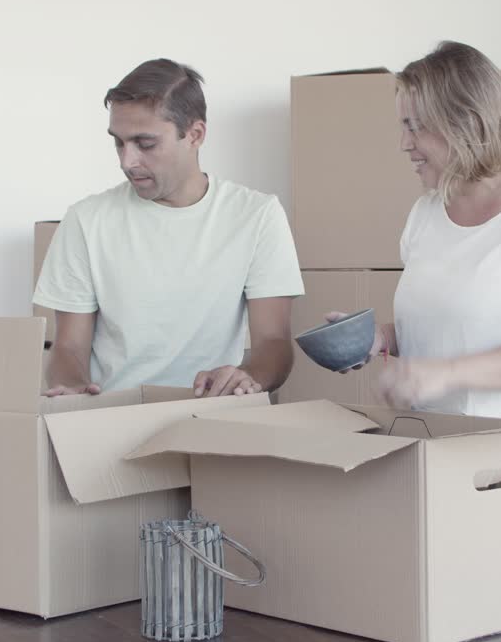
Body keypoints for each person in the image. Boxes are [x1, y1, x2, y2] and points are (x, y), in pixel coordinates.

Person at [327, 41, 501, 547]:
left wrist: (438, 375)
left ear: (466, 121)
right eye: (402, 126)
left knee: (454, 545)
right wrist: (373, 338)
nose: (404, 144)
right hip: (445, 433)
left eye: (415, 126)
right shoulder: (427, 213)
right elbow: (434, 326)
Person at [34, 58, 304, 398]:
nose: (126, 161)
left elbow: (274, 343)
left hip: (211, 415)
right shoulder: (87, 220)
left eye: (145, 144)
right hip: (110, 419)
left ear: (195, 135)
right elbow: (68, 347)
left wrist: (246, 377)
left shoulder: (257, 215)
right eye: (118, 142)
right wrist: (71, 388)